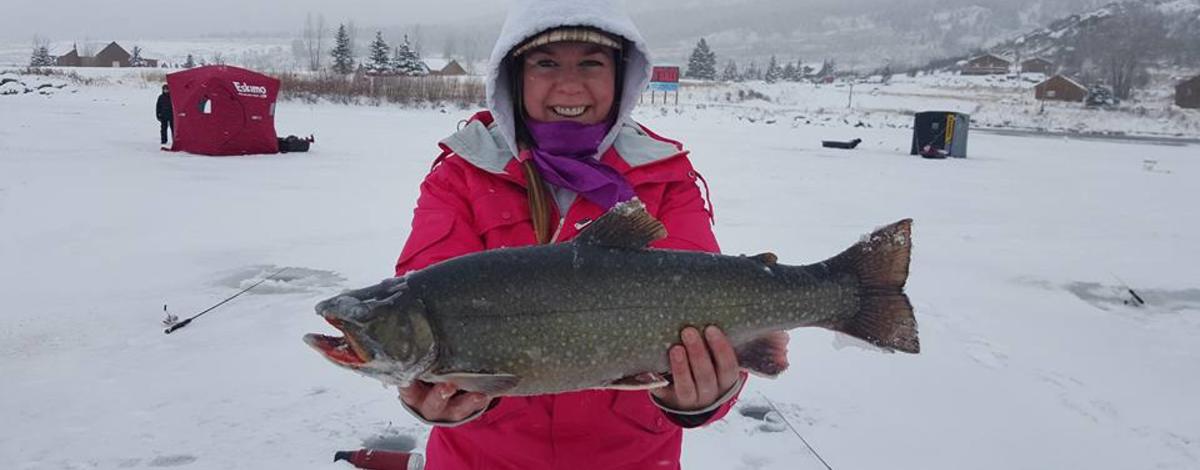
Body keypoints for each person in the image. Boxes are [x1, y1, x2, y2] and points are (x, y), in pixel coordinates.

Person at [392, 1, 787, 468]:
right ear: (513, 76)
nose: (570, 84)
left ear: (622, 76)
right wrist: (430, 394)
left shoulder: (665, 178)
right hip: (481, 459)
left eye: (591, 63)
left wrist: (703, 397)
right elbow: (422, 311)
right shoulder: (461, 178)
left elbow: (712, 312)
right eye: (546, 62)